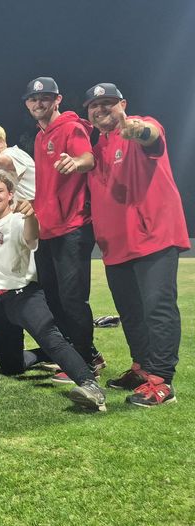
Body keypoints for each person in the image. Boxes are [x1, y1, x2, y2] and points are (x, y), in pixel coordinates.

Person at [84, 82, 190, 407]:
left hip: (152, 236)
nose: (101, 109)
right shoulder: (96, 150)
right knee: (130, 313)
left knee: (157, 308)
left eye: (108, 103)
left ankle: (161, 381)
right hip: (115, 246)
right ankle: (142, 368)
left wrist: (140, 129)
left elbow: (151, 135)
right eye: (95, 106)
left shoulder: (138, 127)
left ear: (123, 105)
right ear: (88, 115)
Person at [0, 171, 106, 411]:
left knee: (52, 338)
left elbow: (30, 238)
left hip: (23, 296)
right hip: (1, 304)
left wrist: (30, 217)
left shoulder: (18, 219)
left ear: (10, 195)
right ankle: (43, 355)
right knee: (10, 366)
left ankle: (89, 384)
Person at [22, 77, 104, 382]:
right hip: (48, 228)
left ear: (58, 100)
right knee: (53, 297)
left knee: (72, 298)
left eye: (45, 98)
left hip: (73, 226)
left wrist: (76, 162)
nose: (38, 103)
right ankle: (84, 353)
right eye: (33, 99)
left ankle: (85, 362)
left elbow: (88, 158)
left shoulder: (71, 127)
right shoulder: (41, 137)